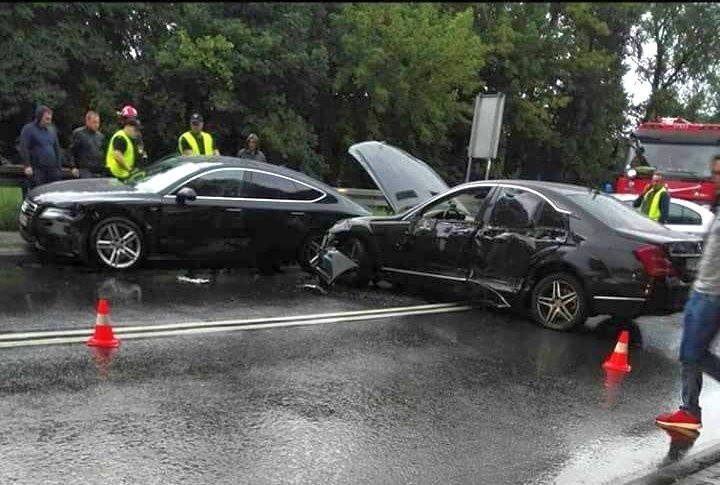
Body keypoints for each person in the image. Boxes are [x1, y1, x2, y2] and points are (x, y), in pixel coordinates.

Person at [655, 154, 720, 430]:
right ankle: (689, 410)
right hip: (702, 290)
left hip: (714, 294)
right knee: (689, 352)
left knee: (694, 353)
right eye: (715, 171)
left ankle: (690, 409)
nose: (715, 177)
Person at [18, 105, 65, 189]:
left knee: (53, 191)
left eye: (50, 118)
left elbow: (57, 148)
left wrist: (58, 166)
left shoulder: (52, 130)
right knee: (38, 191)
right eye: (47, 118)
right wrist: (27, 165)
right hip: (37, 168)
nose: (49, 121)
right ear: (40, 117)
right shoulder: (29, 129)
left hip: (52, 168)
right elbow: (24, 147)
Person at [69, 111, 106, 178]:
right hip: (84, 169)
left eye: (98, 122)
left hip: (98, 170)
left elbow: (102, 152)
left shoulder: (100, 136)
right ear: (87, 121)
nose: (96, 125)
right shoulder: (78, 134)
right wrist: (73, 167)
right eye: (94, 122)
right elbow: (72, 151)